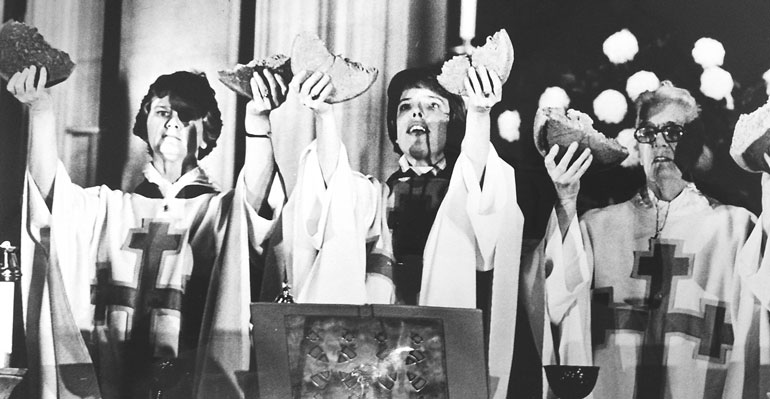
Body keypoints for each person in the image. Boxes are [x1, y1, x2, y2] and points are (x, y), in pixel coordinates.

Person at [9, 66, 286, 398]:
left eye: (187, 115)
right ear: (145, 124)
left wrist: (258, 122)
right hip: (112, 379)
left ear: (208, 131)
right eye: (162, 112)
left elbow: (256, 201)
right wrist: (41, 111)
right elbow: (47, 201)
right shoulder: (106, 209)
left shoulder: (221, 214)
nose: (172, 122)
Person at [265, 65, 523, 399]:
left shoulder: (464, 191)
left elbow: (478, 185)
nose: (417, 112)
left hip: (446, 344)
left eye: (433, 105)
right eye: (405, 106)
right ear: (394, 127)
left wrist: (479, 112)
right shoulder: (370, 194)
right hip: (375, 353)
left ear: (454, 123)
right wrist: (325, 116)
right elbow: (332, 190)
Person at [543, 81, 768, 398]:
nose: (660, 142)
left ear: (696, 142)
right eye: (648, 132)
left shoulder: (735, 229)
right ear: (638, 147)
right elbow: (555, 301)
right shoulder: (596, 228)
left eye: (674, 131)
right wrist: (566, 201)